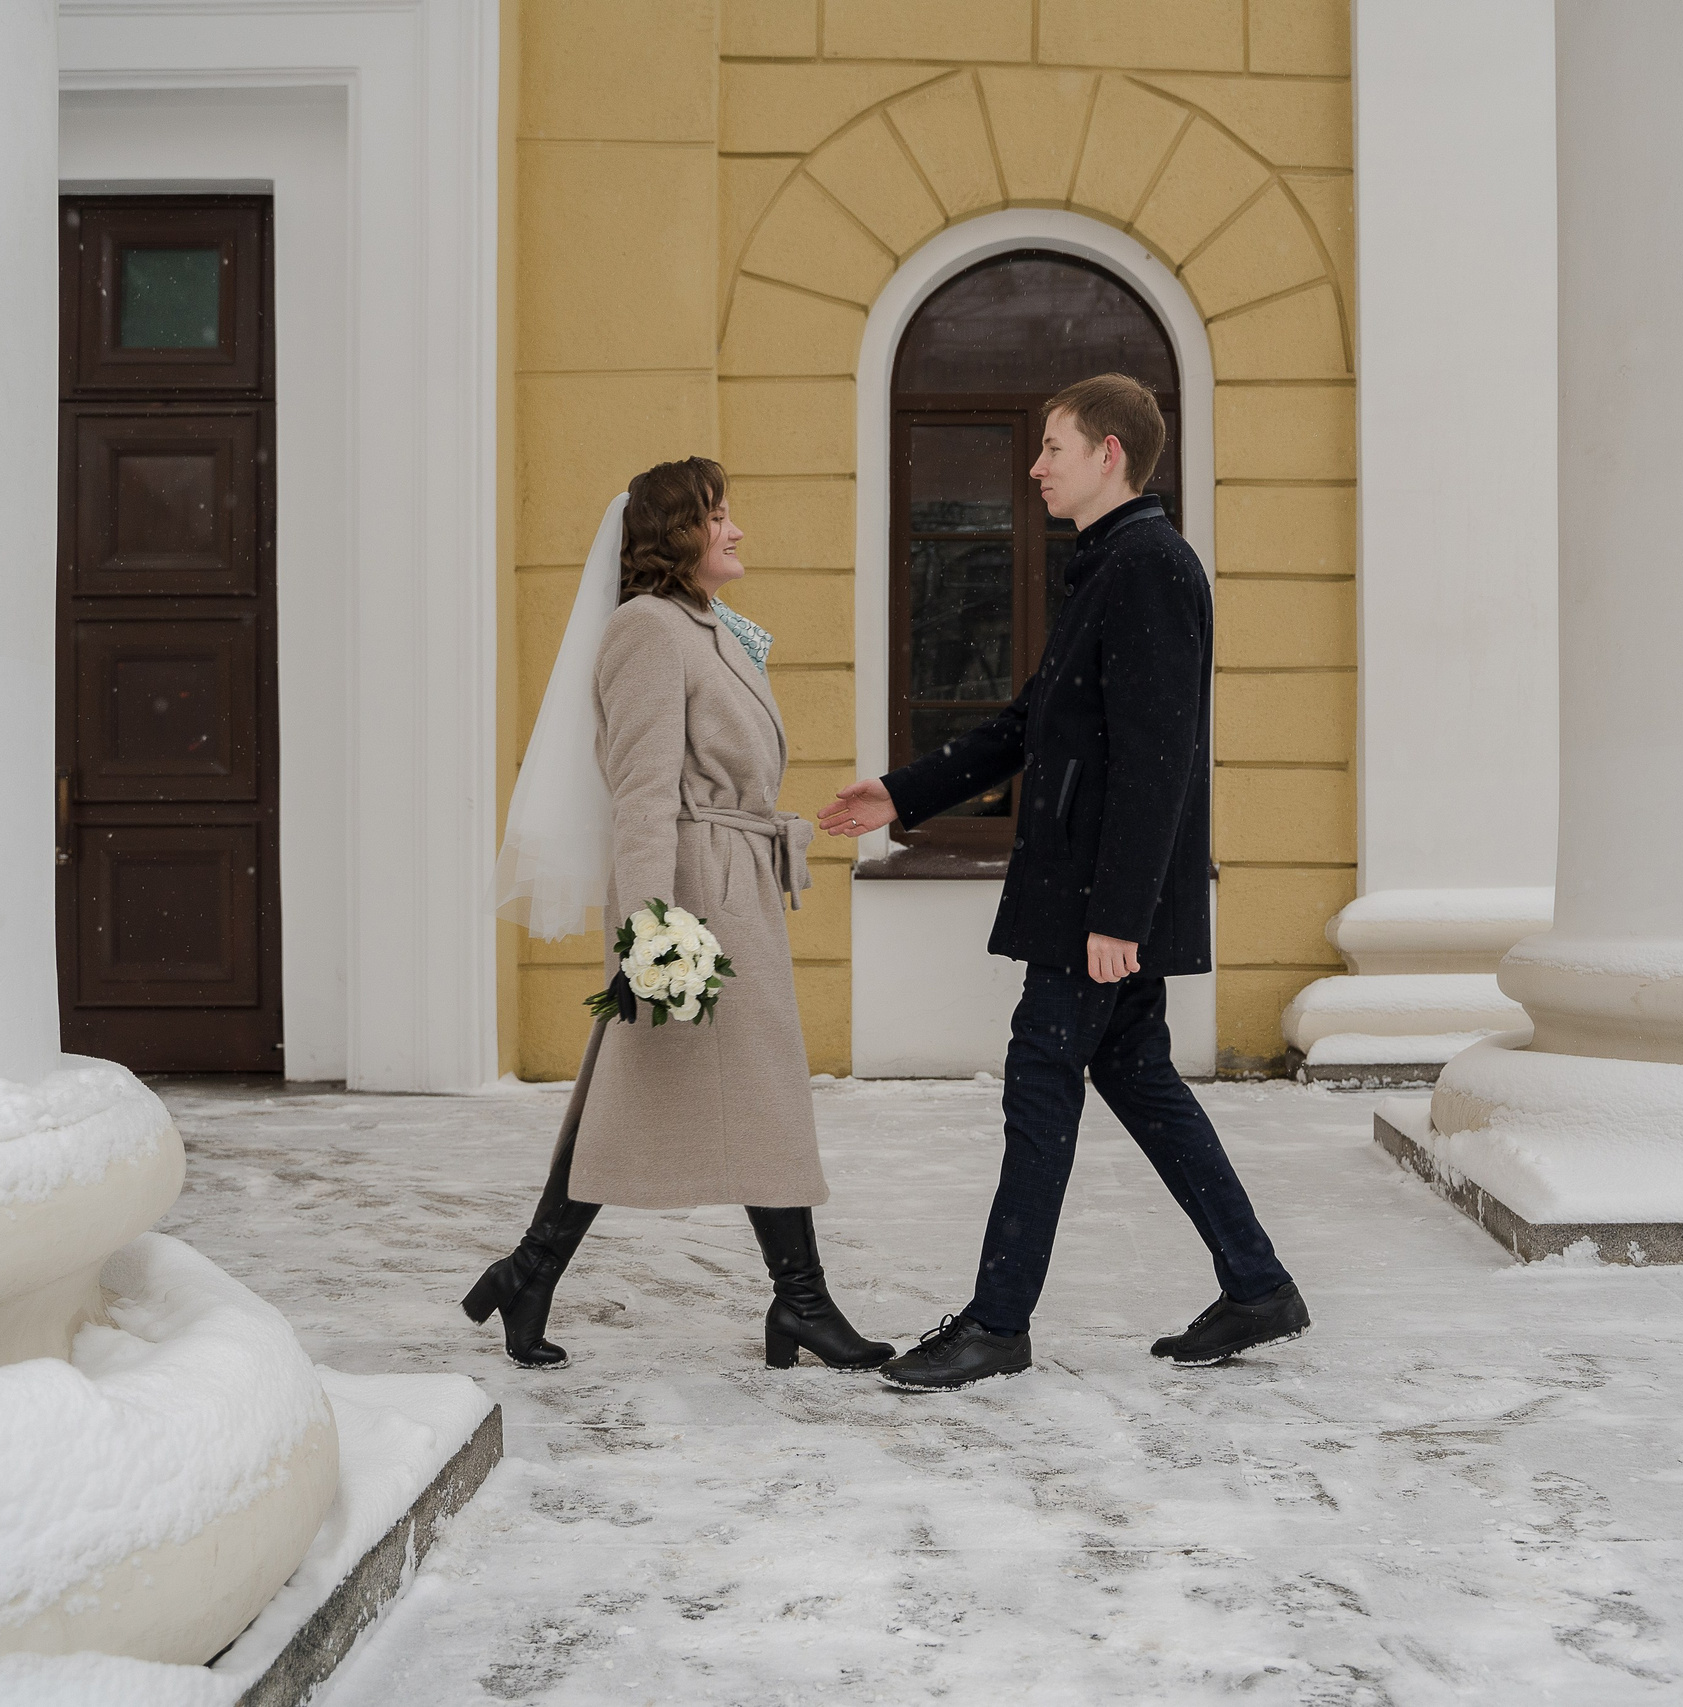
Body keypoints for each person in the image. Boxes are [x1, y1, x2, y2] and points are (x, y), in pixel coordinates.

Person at [819, 374, 1307, 1392]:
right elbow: (1025, 725)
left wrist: (1120, 916)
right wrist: (898, 793)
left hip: (1097, 904)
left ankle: (997, 1324)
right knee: (1137, 1078)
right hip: (1087, 896)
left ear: (1109, 455)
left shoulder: (1150, 569)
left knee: (1041, 1087)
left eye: (1051, 447)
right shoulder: (1108, 566)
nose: (1034, 466)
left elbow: (1156, 757)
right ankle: (1256, 1284)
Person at [467, 456, 891, 1373]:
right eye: (718, 515)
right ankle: (800, 1305)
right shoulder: (648, 631)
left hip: (732, 879)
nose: (736, 529)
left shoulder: (703, 625)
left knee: (664, 1085)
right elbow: (644, 791)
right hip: (700, 889)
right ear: (674, 536)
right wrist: (652, 925)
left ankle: (532, 1271)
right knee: (712, 1087)